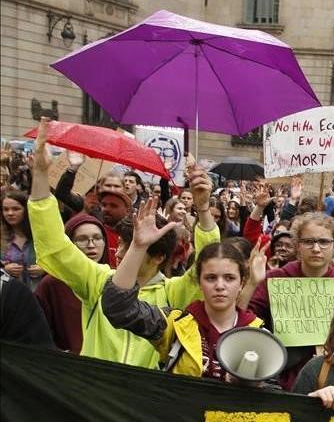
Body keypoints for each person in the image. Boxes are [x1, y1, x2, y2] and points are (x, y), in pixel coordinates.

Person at [26, 118, 220, 367]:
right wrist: (40, 175)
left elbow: (209, 265)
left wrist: (203, 208)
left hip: (146, 401)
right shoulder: (98, 281)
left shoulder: (175, 293)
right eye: (121, 244)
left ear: (158, 257)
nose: (117, 254)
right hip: (94, 396)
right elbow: (54, 246)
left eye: (130, 247)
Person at [102, 226, 266, 380]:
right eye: (211, 278)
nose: (220, 286)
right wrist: (138, 248)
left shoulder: (258, 333)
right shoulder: (175, 325)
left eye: (229, 278)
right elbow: (119, 310)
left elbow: (272, 389)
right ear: (199, 283)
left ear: (241, 283)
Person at [246, 211, 334, 389]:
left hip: (329, 381)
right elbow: (245, 317)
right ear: (297, 245)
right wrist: (252, 283)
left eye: (323, 242)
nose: (316, 248)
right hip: (279, 378)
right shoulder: (276, 279)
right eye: (308, 241)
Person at [33, 212, 110, 353]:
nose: (91, 245)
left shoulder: (113, 280)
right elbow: (38, 332)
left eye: (97, 238)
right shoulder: (51, 284)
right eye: (82, 239)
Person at [2, 190, 41, 287]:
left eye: (16, 209)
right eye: (6, 209)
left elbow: (59, 262)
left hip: (39, 294)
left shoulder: (39, 234)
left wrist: (46, 269)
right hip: (11, 295)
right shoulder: (1, 237)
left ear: (26, 210)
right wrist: (4, 270)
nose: (10, 213)